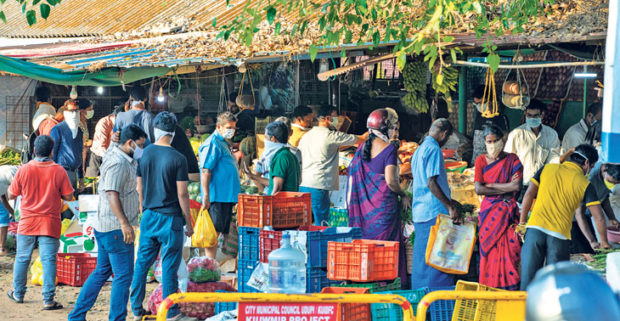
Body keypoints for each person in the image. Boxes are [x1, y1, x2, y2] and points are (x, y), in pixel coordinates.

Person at [69, 125, 147, 321]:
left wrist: (114, 138)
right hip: (114, 228)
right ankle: (116, 318)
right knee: (123, 276)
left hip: (105, 226)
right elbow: (112, 193)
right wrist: (124, 223)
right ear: (130, 143)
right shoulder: (119, 163)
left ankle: (77, 316)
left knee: (102, 271)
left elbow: (113, 145)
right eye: (140, 144)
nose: (142, 148)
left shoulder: (116, 151)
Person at [518, 144, 611, 290]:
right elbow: (598, 217)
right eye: (592, 166)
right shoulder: (585, 184)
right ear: (586, 163)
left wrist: (522, 222)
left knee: (527, 283)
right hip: (559, 237)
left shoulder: (547, 168)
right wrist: (604, 242)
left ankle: (523, 312)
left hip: (534, 232)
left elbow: (529, 194)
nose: (590, 170)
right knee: (555, 286)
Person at [130, 112, 193, 321]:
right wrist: (189, 222)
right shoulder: (178, 158)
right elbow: (182, 193)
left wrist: (142, 211)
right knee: (169, 266)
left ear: (155, 130)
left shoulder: (145, 153)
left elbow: (139, 186)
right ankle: (172, 313)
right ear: (173, 133)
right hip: (171, 219)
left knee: (142, 263)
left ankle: (137, 309)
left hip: (149, 216)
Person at [6, 135, 74, 310]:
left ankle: (18, 294)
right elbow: (68, 196)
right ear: (52, 151)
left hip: (27, 221)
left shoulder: (24, 169)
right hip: (50, 222)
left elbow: (12, 194)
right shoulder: (59, 170)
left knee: (22, 258)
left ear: (34, 150)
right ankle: (48, 300)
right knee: (49, 260)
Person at [348, 109, 411, 287]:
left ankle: (370, 286)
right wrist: (403, 194)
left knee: (369, 252)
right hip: (383, 212)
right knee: (386, 252)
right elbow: (391, 181)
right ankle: (389, 288)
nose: (395, 132)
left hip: (364, 213)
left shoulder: (361, 148)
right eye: (393, 128)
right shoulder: (389, 149)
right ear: (387, 128)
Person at [410, 118, 462, 289]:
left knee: (422, 263)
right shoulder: (433, 149)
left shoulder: (419, 149)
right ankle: (436, 304)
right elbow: (431, 183)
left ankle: (421, 304)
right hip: (433, 213)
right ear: (445, 134)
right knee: (438, 261)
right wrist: (450, 206)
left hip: (420, 213)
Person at [474, 125, 523, 290]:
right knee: (488, 256)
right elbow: (479, 189)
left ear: (503, 140)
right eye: (489, 141)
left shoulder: (513, 160)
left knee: (510, 252)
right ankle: (489, 293)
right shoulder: (481, 160)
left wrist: (492, 185)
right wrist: (505, 187)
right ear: (484, 142)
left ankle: (509, 294)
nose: (493, 144)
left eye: (496, 141)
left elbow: (516, 186)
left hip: (507, 215)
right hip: (489, 215)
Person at [298, 105, 366, 225]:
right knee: (321, 223)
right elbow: (361, 139)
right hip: (319, 185)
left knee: (306, 223)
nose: (338, 121)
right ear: (327, 118)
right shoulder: (330, 136)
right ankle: (319, 243)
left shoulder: (306, 136)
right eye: (335, 118)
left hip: (304, 184)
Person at [199, 112, 241, 259]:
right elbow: (206, 170)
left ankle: (212, 263)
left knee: (220, 231)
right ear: (219, 127)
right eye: (229, 127)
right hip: (216, 196)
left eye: (234, 127)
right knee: (213, 232)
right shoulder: (213, 143)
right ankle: (208, 263)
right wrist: (206, 195)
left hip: (226, 196)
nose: (232, 130)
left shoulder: (223, 142)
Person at [504, 99, 560, 201]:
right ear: (525, 114)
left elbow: (554, 160)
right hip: (521, 185)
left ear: (542, 115)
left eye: (535, 116)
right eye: (529, 115)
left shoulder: (552, 135)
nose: (532, 118)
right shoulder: (517, 134)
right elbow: (507, 161)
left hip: (541, 185)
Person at [570, 162, 620, 254]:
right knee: (581, 252)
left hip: (585, 217)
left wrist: (612, 217)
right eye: (611, 181)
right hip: (572, 219)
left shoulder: (606, 176)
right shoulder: (589, 178)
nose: (612, 185)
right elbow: (580, 214)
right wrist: (597, 241)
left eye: (615, 183)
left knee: (593, 250)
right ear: (605, 170)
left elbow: (604, 197)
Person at [244, 122, 301, 195]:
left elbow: (276, 187)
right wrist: (253, 176)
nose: (265, 140)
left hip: (281, 203)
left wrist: (269, 200)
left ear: (273, 139)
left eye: (266, 137)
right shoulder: (290, 154)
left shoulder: (281, 157)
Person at [470, 85, 510, 163]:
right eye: (476, 103)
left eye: (482, 103)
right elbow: (474, 139)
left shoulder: (501, 118)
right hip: (475, 162)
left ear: (491, 101)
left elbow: (505, 142)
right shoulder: (478, 116)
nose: (479, 106)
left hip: (493, 162)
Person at [50, 99, 84, 190]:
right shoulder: (57, 129)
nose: (74, 114)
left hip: (74, 173)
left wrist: (81, 177)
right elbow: (53, 153)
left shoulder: (79, 131)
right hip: (62, 172)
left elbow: (80, 152)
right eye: (71, 111)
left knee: (72, 202)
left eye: (76, 111)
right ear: (65, 112)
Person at [86, 106, 123, 177]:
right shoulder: (104, 123)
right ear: (116, 116)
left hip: (111, 157)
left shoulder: (121, 124)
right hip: (98, 157)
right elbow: (101, 147)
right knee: (91, 184)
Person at [0, 165, 19, 256]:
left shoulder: (18, 172)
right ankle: (2, 248)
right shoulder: (14, 174)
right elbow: (3, 199)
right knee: (4, 214)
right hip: (5, 179)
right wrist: (13, 213)